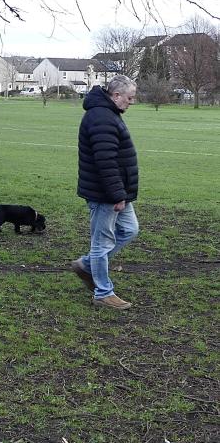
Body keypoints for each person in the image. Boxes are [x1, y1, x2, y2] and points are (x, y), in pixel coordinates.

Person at [71, 75, 140, 309]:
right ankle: (103, 292)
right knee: (102, 243)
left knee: (130, 229)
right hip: (106, 194)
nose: (132, 102)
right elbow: (105, 161)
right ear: (116, 95)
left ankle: (88, 265)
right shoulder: (101, 117)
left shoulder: (108, 114)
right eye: (130, 98)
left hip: (117, 190)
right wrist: (116, 195)